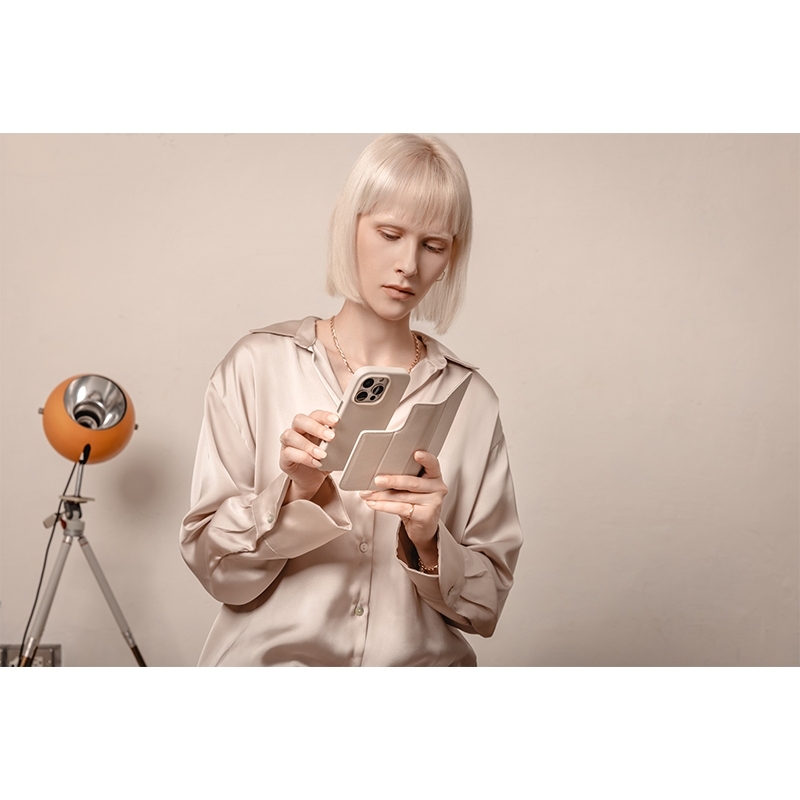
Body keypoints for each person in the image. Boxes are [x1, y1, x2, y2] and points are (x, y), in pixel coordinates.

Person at [180, 134, 523, 666]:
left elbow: (485, 609)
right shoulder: (255, 367)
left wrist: (429, 542)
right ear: (350, 225)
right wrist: (292, 495)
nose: (408, 264)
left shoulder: (471, 400)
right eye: (390, 234)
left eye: (433, 245)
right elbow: (213, 568)